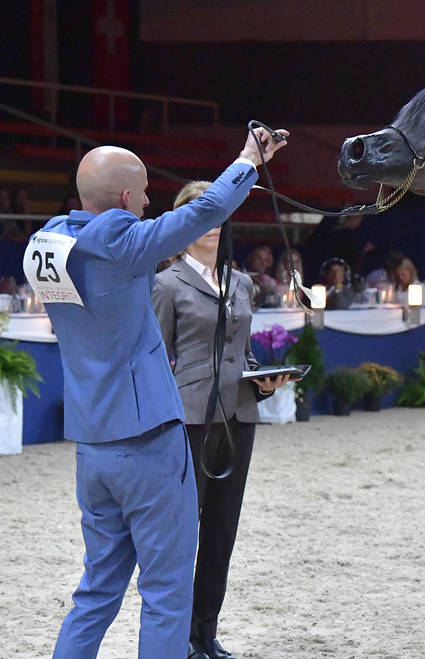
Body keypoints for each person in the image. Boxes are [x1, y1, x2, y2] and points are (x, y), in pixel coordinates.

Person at [23, 126, 288, 658]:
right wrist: (247, 161)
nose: (148, 203)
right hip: (147, 440)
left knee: (96, 592)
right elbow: (200, 213)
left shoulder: (45, 245)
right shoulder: (120, 242)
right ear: (125, 199)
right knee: (167, 592)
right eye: (144, 194)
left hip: (92, 443)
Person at [152, 180, 292, 659]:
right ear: (182, 223)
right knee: (185, 530)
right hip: (189, 420)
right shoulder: (166, 284)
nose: (211, 224)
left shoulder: (243, 282)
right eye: (199, 213)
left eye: (216, 214)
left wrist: (262, 380)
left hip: (239, 414)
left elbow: (245, 353)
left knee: (223, 529)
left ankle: (205, 634)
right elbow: (156, 359)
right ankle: (177, 636)